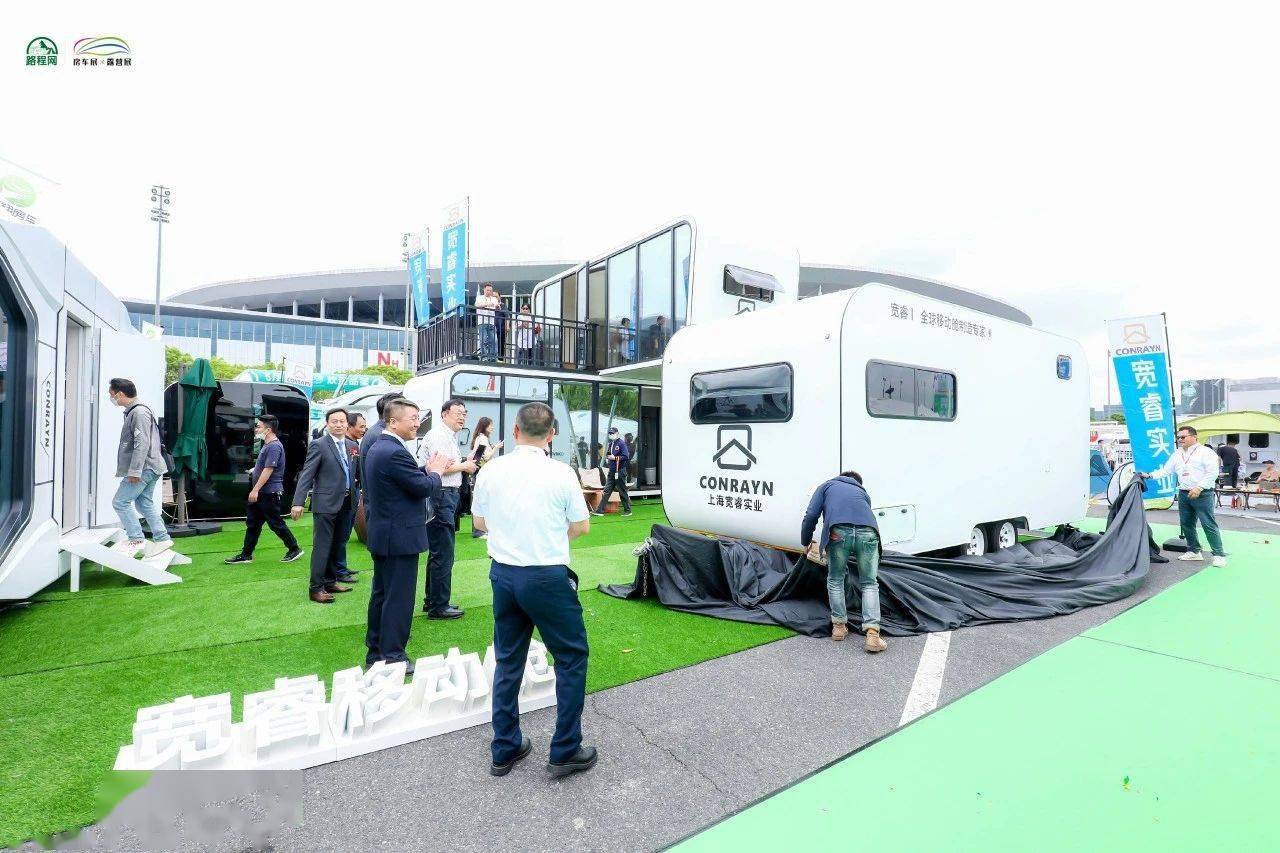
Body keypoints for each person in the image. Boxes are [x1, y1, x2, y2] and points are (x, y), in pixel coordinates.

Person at [471, 402, 596, 778]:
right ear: (552, 434)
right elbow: (581, 526)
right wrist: (547, 537)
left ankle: (504, 747)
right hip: (546, 576)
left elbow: (480, 521)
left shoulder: (492, 469)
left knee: (509, 660)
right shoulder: (561, 473)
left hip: (504, 575)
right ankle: (565, 749)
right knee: (571, 658)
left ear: (515, 431)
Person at [363, 399, 449, 671]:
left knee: (382, 595)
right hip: (398, 537)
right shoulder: (393, 451)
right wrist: (436, 473)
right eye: (412, 418)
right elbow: (422, 487)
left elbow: (404, 480)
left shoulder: (382, 447)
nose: (417, 423)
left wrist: (426, 471)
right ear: (393, 422)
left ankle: (377, 651)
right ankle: (393, 655)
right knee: (398, 599)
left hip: (386, 534)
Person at [800, 471, 886, 652]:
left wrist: (805, 541)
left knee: (835, 579)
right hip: (869, 533)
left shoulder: (826, 486)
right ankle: (873, 635)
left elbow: (811, 515)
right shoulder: (862, 493)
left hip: (838, 532)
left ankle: (839, 627)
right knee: (869, 583)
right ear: (857, 482)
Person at [416, 398, 478, 617]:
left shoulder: (447, 435)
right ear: (444, 414)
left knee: (439, 551)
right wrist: (465, 466)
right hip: (441, 494)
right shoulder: (440, 435)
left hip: (444, 495)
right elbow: (440, 468)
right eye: (458, 413)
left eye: (464, 413)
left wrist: (463, 463)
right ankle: (438, 606)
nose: (462, 417)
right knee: (443, 551)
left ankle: (433, 600)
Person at [290, 408, 359, 603]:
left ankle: (330, 581)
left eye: (342, 421)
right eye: (334, 421)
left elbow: (357, 473)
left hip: (347, 503)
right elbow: (307, 474)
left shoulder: (352, 445)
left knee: (338, 544)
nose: (339, 425)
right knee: (322, 546)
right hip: (325, 504)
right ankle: (315, 588)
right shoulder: (319, 445)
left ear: (347, 424)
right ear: (327, 424)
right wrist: (298, 502)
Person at [1140, 425, 1227, 566]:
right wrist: (1149, 475)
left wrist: (1199, 487)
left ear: (1194, 437)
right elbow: (1166, 471)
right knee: (1186, 524)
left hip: (1203, 493)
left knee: (1208, 524)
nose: (1180, 440)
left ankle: (1219, 554)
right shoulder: (1177, 454)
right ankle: (1194, 551)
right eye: (1178, 437)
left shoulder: (1205, 452)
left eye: (1183, 437)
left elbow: (1212, 472)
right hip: (1184, 492)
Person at [224, 415, 305, 566]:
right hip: (263, 493)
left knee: (275, 523)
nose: (256, 429)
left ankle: (294, 548)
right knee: (253, 523)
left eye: (259, 427)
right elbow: (265, 467)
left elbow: (269, 469)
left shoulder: (273, 446)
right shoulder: (268, 445)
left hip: (269, 493)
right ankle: (246, 554)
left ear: (268, 430)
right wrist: (254, 471)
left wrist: (255, 490)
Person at [107, 378, 173, 556]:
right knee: (144, 503)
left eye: (112, 395)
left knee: (120, 502)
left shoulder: (139, 412)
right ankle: (162, 538)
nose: (111, 398)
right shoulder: (136, 411)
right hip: (151, 466)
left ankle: (136, 538)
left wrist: (135, 471)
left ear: (120, 394)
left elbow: (142, 443)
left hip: (145, 467)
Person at [467, 416, 502, 538]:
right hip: (481, 471)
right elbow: (485, 457)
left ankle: (479, 530)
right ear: (485, 426)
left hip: (478, 471)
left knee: (478, 498)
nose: (492, 427)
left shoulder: (479, 438)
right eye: (490, 425)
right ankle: (479, 531)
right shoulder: (482, 439)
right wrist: (496, 448)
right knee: (481, 499)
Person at [592, 426, 632, 517]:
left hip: (620, 471)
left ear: (617, 433)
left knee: (622, 490)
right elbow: (609, 453)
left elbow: (626, 456)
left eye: (612, 433)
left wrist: (615, 458)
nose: (611, 435)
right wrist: (608, 457)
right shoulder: (611, 444)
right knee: (607, 491)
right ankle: (599, 511)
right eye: (610, 433)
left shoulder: (621, 444)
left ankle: (628, 510)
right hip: (612, 471)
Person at [476, 284, 502, 361]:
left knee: (494, 340)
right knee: (483, 339)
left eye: (490, 290)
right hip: (482, 322)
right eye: (487, 290)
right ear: (484, 290)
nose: (489, 292)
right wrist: (487, 304)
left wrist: (497, 307)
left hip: (491, 322)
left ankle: (492, 357)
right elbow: (477, 305)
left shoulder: (494, 299)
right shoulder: (479, 297)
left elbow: (498, 308)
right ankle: (484, 356)